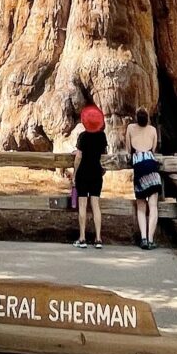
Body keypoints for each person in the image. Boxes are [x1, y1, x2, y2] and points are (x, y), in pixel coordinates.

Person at [71, 104, 108, 248]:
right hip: (96, 172)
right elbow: (103, 155)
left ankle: (82, 238)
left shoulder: (83, 137)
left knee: (82, 205)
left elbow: (79, 157)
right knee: (95, 205)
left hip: (83, 172)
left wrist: (75, 173)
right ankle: (98, 238)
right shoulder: (102, 137)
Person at [125, 108, 161, 249]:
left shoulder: (130, 128)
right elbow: (153, 148)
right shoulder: (152, 130)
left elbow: (128, 149)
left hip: (139, 166)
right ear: (147, 118)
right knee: (153, 206)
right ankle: (151, 239)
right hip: (151, 165)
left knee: (141, 206)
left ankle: (144, 239)